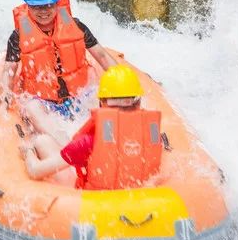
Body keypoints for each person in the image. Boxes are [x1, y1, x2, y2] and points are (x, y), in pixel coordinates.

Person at [0, 0, 117, 143]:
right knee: (32, 108)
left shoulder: (76, 26)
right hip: (43, 102)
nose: (44, 11)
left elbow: (102, 56)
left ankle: (105, 139)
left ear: (57, 2)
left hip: (80, 96)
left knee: (97, 96)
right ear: (27, 5)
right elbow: (8, 71)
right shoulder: (18, 36)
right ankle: (63, 143)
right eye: (37, 6)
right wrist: (4, 97)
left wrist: (125, 82)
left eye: (48, 5)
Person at [19, 65, 163, 190]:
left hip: (91, 202)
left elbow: (35, 171)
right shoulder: (151, 133)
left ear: (101, 103)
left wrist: (28, 152)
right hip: (136, 197)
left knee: (42, 141)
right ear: (138, 103)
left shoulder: (88, 142)